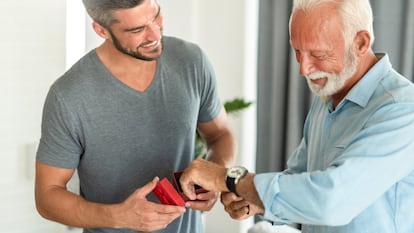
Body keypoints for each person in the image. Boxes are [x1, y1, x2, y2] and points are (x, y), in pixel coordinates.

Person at [179, 0, 414, 232]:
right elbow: (299, 177)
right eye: (298, 51)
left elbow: (331, 201)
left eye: (318, 54)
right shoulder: (327, 97)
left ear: (360, 43)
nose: (304, 68)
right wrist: (256, 200)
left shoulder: (402, 109)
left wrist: (229, 179)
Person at [34, 0, 236, 232]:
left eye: (156, 16)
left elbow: (221, 134)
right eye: (137, 30)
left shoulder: (191, 61)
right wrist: (118, 217)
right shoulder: (69, 96)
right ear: (101, 30)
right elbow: (47, 196)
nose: (155, 33)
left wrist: (215, 177)